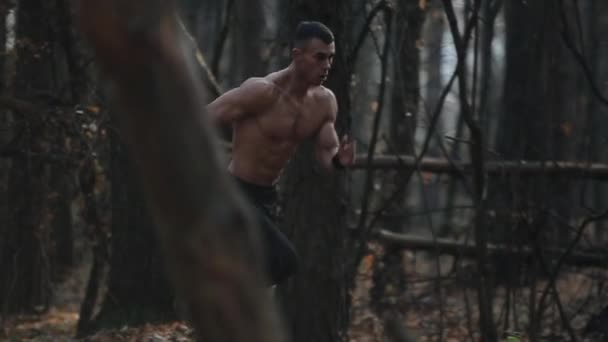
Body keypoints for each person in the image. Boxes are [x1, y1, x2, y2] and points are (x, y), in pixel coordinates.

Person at [206, 21, 356, 286]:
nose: (327, 65)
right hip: (235, 191)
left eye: (330, 58)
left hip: (266, 199)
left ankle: (223, 309)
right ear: (297, 55)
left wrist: (339, 162)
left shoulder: (324, 103)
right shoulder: (262, 92)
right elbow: (204, 118)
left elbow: (327, 154)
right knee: (283, 260)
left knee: (267, 269)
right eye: (319, 57)